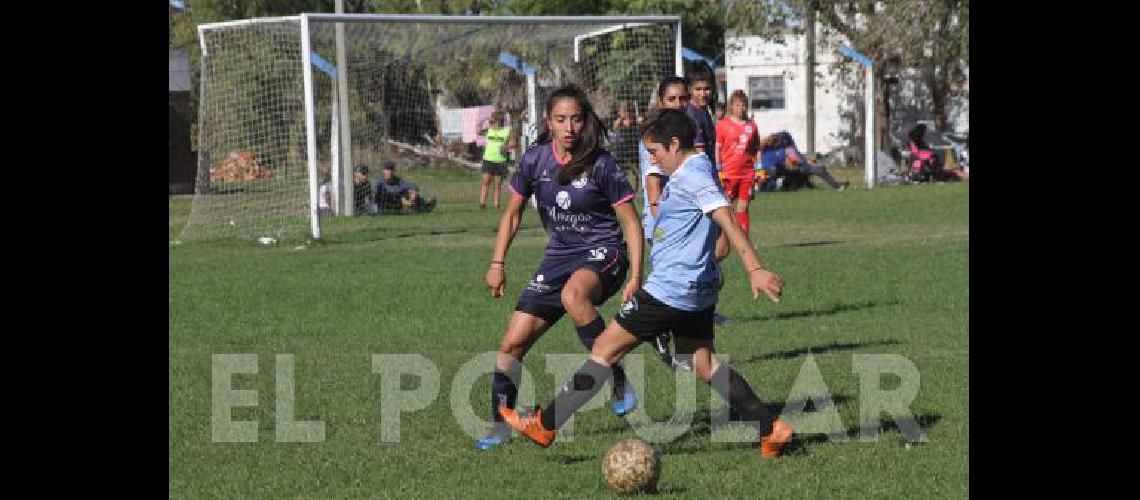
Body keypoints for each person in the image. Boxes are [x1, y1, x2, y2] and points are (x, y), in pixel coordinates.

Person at [499, 108, 794, 459]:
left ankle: (546, 424)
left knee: (603, 351)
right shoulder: (697, 168)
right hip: (696, 290)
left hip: (669, 291)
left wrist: (754, 267)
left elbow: (726, 217)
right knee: (704, 364)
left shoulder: (692, 175)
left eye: (655, 153)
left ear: (674, 144)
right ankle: (770, 427)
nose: (653, 161)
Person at [477, 84, 645, 450]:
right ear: (549, 123)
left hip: (605, 252)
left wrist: (635, 275)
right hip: (558, 258)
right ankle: (500, 424)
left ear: (585, 122)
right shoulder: (535, 161)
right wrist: (497, 262)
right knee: (511, 343)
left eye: (576, 119)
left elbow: (631, 223)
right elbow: (512, 213)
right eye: (560, 119)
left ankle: (615, 377)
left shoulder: (602, 163)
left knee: (573, 295)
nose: (569, 127)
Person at [639, 77, 731, 370]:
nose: (679, 104)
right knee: (672, 287)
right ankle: (660, 334)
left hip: (695, 217)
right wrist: (662, 224)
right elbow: (653, 185)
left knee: (709, 272)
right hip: (669, 224)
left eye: (682, 98)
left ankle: (682, 342)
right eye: (672, 99)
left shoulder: (690, 128)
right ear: (661, 102)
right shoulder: (655, 138)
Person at [716, 89, 762, 234]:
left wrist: (759, 170)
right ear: (731, 106)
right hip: (728, 173)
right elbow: (717, 148)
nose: (741, 108)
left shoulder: (752, 126)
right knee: (725, 209)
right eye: (737, 105)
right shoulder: (722, 125)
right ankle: (722, 239)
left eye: (743, 105)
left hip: (747, 174)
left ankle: (744, 241)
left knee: (742, 207)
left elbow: (757, 149)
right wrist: (718, 169)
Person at [759, 132, 848, 191]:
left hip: (783, 170)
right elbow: (795, 159)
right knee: (775, 173)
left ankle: (837, 186)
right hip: (774, 171)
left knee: (819, 170)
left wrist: (807, 162)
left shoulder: (783, 147)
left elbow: (796, 158)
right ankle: (778, 184)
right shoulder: (768, 151)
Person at [479, 111, 514, 209]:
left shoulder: (508, 130)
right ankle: (482, 204)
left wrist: (506, 146)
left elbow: (514, 143)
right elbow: (478, 130)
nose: (496, 122)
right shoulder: (489, 130)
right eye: (494, 120)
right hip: (488, 159)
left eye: (499, 120)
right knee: (486, 181)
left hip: (500, 160)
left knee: (498, 183)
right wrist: (484, 119)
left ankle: (496, 205)